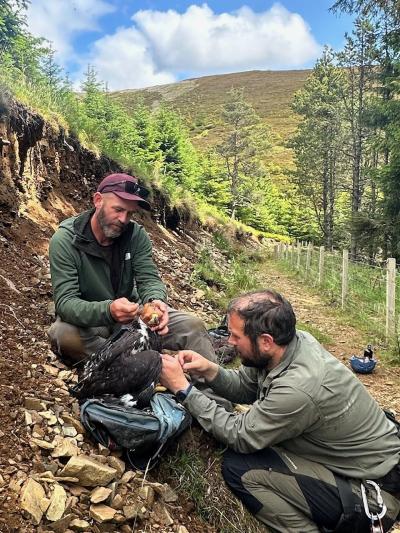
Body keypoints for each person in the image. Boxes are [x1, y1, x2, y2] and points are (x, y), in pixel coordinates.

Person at [160, 289, 400, 532]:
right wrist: (209, 370)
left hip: (372, 492)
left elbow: (239, 436)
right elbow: (245, 387)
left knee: (242, 471)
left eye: (235, 335)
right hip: (353, 465)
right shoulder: (286, 347)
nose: (229, 342)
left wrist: (183, 389)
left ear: (265, 341)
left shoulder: (298, 387)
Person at [48, 172, 216, 364]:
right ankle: (141, 364)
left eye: (130, 213)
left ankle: (211, 388)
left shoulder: (135, 235)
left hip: (133, 316)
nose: (123, 219)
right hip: (94, 322)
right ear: (98, 200)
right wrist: (108, 310)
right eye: (118, 209)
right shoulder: (66, 240)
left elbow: (149, 278)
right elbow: (65, 303)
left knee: (192, 325)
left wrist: (155, 301)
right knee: (62, 333)